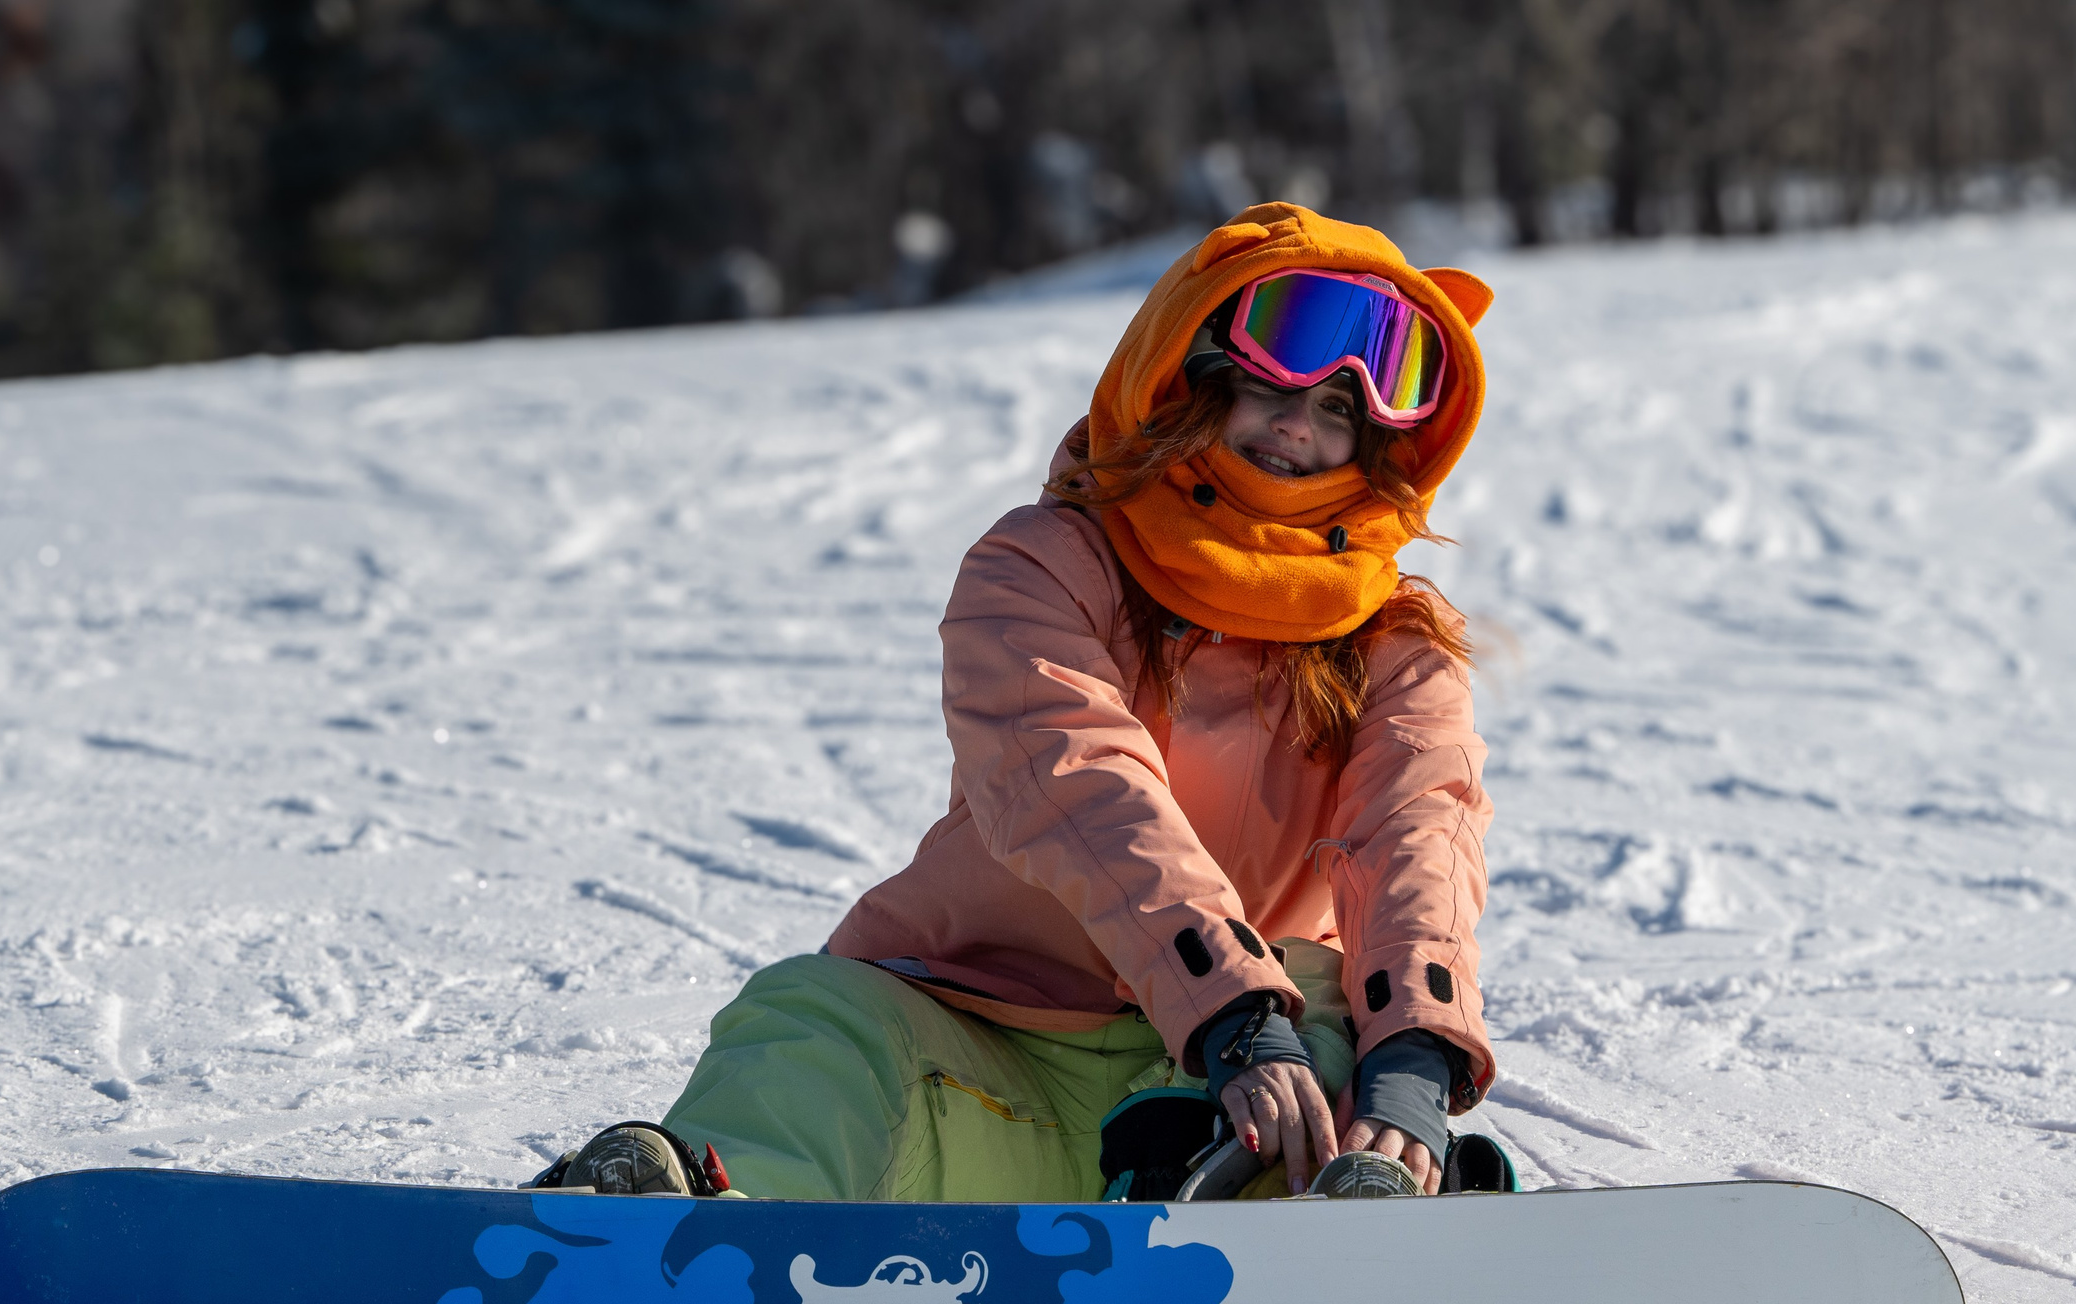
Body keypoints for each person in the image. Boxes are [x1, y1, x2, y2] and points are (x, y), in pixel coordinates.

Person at [544, 205, 1502, 1204]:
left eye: (1344, 411)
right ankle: (689, 1245)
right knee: (812, 1011)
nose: (1301, 422)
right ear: (1188, 367)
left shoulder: (1394, 637)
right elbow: (1074, 779)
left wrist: (1413, 1053)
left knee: (1325, 999)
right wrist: (1227, 1006)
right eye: (1271, 380)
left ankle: (1313, 1233)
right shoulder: (1043, 566)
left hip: (1234, 1088)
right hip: (989, 1052)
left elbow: (1417, 827)